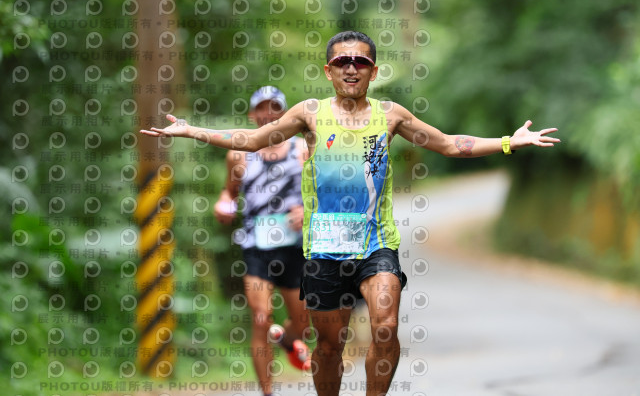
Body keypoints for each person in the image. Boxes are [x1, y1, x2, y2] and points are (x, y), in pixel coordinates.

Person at [141, 31, 560, 396]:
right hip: (323, 248)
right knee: (328, 347)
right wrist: (191, 130)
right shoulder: (310, 113)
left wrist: (509, 142)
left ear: (373, 71)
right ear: (329, 71)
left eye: (361, 62)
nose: (352, 68)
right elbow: (251, 140)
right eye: (343, 61)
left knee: (385, 326)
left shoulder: (390, 115)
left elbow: (449, 144)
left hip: (376, 243)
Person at [212, 86, 311, 395]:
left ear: (285, 114)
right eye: (262, 108)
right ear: (252, 115)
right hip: (256, 245)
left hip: (296, 246)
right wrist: (224, 204)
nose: (269, 114)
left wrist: (308, 210)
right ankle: (267, 392)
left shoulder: (303, 149)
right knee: (260, 317)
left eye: (275, 108)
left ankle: (285, 339)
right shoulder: (238, 154)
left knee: (304, 324)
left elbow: (322, 193)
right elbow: (229, 192)